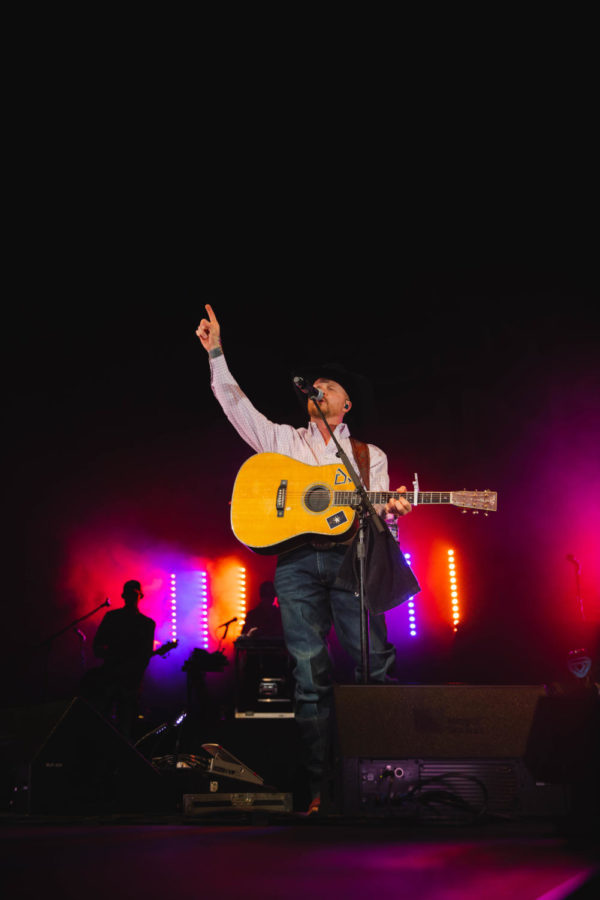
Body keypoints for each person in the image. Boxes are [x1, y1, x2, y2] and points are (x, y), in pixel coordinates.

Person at [196, 304, 411, 810]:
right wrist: (216, 355)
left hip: (350, 561)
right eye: (314, 385)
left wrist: (396, 509)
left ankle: (380, 784)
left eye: (329, 387)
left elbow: (381, 519)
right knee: (308, 677)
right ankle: (317, 788)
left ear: (346, 403)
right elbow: (237, 408)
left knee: (371, 667)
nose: (320, 389)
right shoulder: (283, 442)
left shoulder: (368, 456)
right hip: (295, 565)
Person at [84, 580, 156, 740]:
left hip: (128, 681)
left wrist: (130, 673)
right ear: (124, 595)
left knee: (123, 726)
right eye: (129, 593)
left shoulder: (146, 623)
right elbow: (97, 646)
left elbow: (145, 656)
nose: (131, 596)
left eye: (134, 593)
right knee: (104, 723)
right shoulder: (113, 617)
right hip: (113, 678)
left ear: (140, 596)